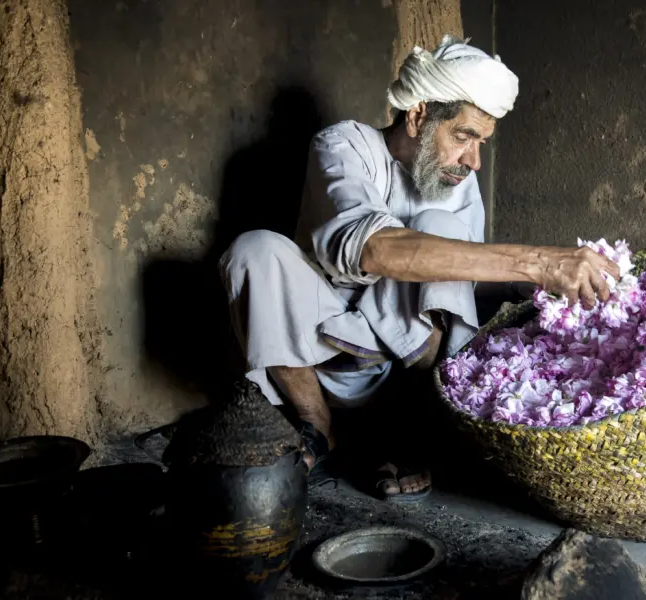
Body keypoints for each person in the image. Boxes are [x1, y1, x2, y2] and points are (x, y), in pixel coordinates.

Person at [219, 35, 618, 501]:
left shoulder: (456, 181)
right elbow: (375, 249)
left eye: (482, 142)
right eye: (464, 136)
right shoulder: (344, 145)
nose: (473, 161)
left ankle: (411, 433)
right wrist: (539, 262)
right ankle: (317, 429)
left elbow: (464, 290)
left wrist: (538, 289)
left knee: (439, 225)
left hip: (404, 377)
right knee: (254, 250)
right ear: (418, 116)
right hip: (318, 350)